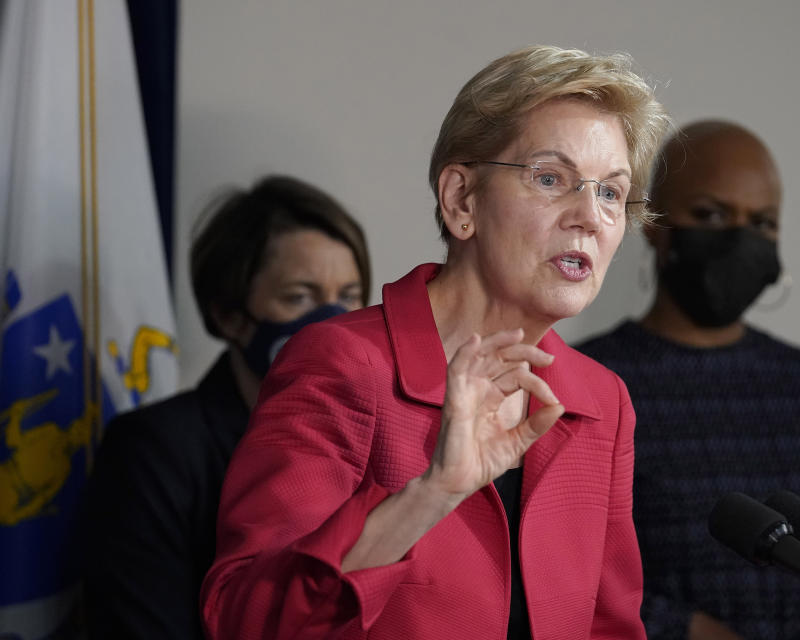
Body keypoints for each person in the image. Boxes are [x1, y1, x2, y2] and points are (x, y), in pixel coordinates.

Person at [199, 45, 669, 639]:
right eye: (552, 178)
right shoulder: (343, 365)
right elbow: (248, 620)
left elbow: (609, 629)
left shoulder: (602, 401)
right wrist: (434, 493)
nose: (590, 216)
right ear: (460, 201)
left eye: (610, 192)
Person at [577, 120, 800, 640]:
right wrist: (683, 630)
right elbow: (561, 574)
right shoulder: (587, 385)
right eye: (710, 214)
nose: (739, 238)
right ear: (652, 223)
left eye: (763, 222)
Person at [82, 175, 371, 639]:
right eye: (299, 297)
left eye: (349, 297)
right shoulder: (155, 451)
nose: (332, 323)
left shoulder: (378, 441)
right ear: (228, 315)